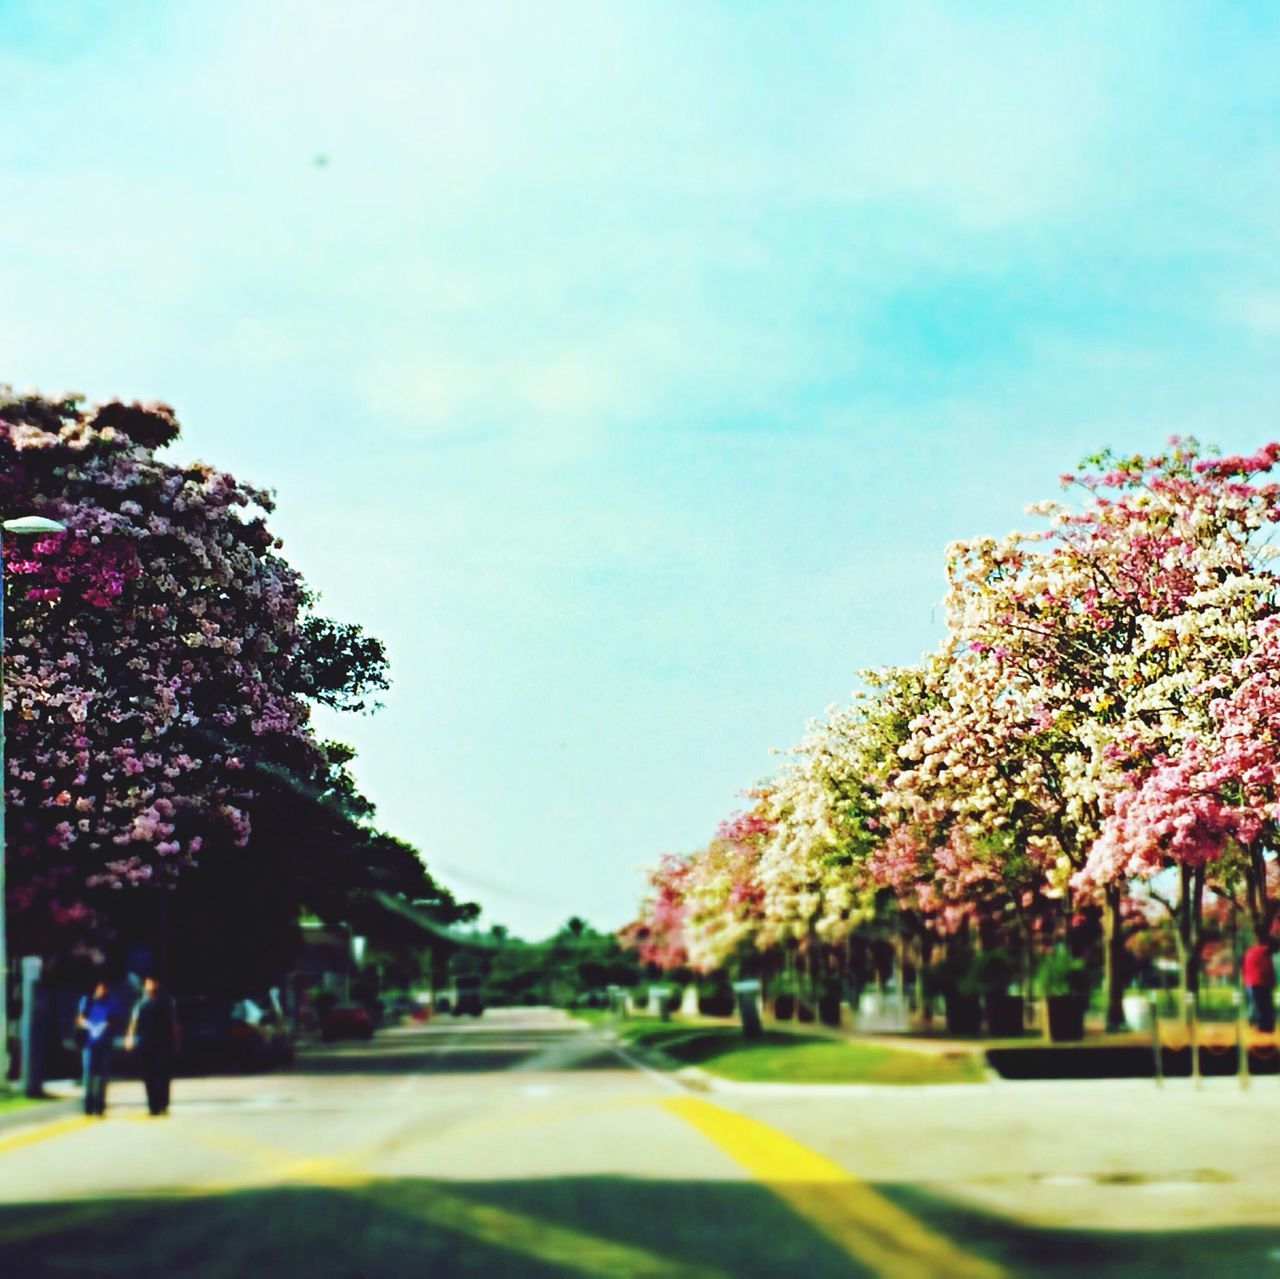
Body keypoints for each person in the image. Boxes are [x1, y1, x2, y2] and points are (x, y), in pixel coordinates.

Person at [126, 976, 180, 1116]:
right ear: (145, 987)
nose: (151, 987)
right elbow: (134, 1021)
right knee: (148, 1076)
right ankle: (153, 1106)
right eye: (148, 984)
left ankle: (163, 1104)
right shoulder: (140, 1004)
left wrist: (176, 1040)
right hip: (146, 1043)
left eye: (153, 984)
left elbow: (173, 1023)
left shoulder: (167, 1002)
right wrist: (130, 1038)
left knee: (163, 1075)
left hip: (163, 1043)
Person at [76, 979, 118, 1117]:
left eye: (105, 988)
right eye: (100, 988)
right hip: (89, 1043)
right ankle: (88, 1106)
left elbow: (114, 1019)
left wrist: (103, 1026)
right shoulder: (87, 1001)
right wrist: (89, 1025)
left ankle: (100, 1106)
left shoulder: (111, 1002)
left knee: (102, 1075)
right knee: (88, 1074)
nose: (103, 991)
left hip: (104, 1043)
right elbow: (80, 1019)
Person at [1242, 938, 1276, 1033]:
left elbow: (1245, 967)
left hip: (1250, 982)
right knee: (1263, 1006)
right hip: (1261, 982)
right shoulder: (1264, 953)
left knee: (1256, 1005)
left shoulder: (1249, 952)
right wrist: (1272, 981)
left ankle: (1256, 1024)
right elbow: (1267, 968)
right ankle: (1264, 1028)